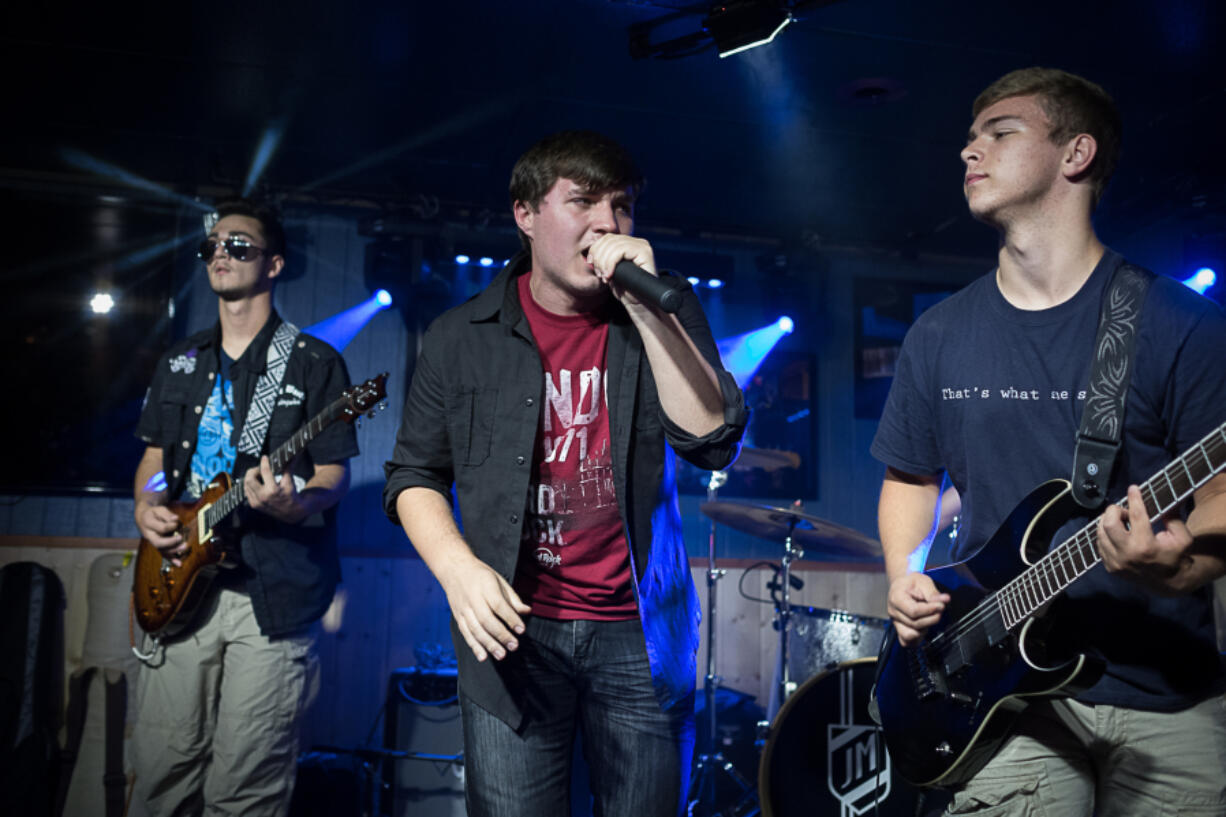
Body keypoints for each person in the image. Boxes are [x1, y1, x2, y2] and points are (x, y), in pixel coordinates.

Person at [872, 67, 1226, 815]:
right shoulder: (940, 334)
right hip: (999, 691)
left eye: (1000, 133)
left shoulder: (1179, 322)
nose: (970, 152)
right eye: (969, 140)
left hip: (1166, 693)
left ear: (1077, 154)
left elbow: (1220, 493)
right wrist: (903, 573)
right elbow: (909, 476)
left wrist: (1179, 567)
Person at [383, 129, 747, 816]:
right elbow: (413, 475)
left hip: (639, 633)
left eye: (623, 207)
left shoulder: (664, 307)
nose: (607, 223)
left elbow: (711, 439)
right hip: (516, 634)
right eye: (582, 201)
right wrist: (457, 569)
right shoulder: (462, 336)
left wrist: (646, 306)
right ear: (525, 214)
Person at [130, 198, 359, 816]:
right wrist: (146, 509)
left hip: (274, 594)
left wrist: (294, 503)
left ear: (275, 263)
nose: (220, 255)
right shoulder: (179, 360)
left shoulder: (314, 362)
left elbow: (335, 474)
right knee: (159, 772)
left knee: (245, 787)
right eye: (212, 247)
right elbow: (153, 466)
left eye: (239, 245)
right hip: (181, 584)